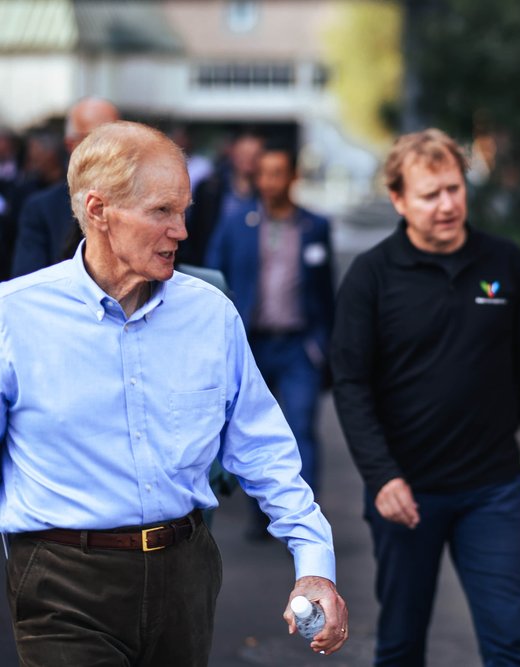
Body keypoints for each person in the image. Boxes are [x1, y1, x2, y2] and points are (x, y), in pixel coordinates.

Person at [0, 121, 348, 666]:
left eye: (183, 210)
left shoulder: (211, 314)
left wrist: (315, 563)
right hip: (62, 579)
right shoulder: (14, 317)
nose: (181, 231)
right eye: (162, 211)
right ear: (99, 211)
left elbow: (263, 449)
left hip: (186, 575)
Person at [330, 128, 520, 666]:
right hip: (405, 494)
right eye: (430, 194)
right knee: (402, 643)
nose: (447, 204)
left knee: (513, 645)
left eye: (454, 188)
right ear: (399, 200)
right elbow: (351, 386)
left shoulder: (503, 263)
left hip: (493, 491)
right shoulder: (372, 277)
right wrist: (381, 476)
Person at [206, 141, 335, 517]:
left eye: (277, 173)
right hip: (252, 342)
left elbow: (327, 290)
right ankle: (262, 514)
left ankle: (303, 516)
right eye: (263, 173)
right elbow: (215, 277)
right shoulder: (236, 222)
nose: (269, 181)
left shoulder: (314, 226)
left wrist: (322, 345)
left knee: (300, 427)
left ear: (293, 176)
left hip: (299, 346)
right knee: (252, 431)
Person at [10, 96, 120, 277]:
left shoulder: (141, 203)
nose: (110, 148)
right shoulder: (42, 209)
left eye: (117, 138)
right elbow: (28, 282)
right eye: (97, 138)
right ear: (71, 144)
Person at [182, 130, 264, 265]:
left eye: (255, 155)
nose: (248, 160)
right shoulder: (210, 188)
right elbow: (194, 230)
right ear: (233, 153)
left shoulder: (266, 192)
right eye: (244, 154)